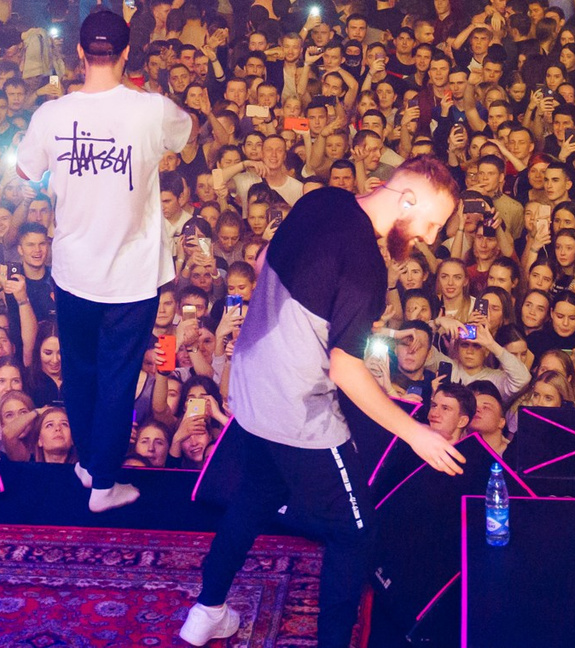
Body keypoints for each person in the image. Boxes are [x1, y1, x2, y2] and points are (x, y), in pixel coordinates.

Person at [180, 156, 466, 648]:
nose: (430, 238)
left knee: (256, 494)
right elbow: (346, 370)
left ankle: (206, 610)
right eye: (432, 223)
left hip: (250, 386)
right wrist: (415, 432)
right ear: (408, 200)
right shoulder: (367, 269)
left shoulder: (321, 199)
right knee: (356, 531)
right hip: (296, 410)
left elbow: (268, 259)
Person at [12, 8, 193, 512]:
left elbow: (26, 173)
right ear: (128, 52)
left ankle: (91, 462)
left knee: (82, 370)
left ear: (77, 52)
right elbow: (189, 133)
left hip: (73, 270)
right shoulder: (151, 109)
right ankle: (104, 483)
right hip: (131, 276)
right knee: (116, 376)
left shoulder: (51, 114)